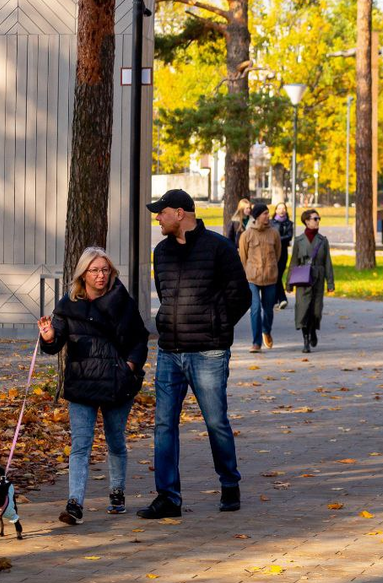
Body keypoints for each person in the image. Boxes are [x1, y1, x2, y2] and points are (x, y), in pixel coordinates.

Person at [140, 189, 251, 519]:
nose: (157, 217)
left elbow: (241, 296)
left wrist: (215, 327)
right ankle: (168, 498)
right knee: (163, 425)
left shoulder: (219, 248)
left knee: (216, 422)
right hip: (169, 352)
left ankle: (230, 482)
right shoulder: (161, 252)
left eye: (161, 212)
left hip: (208, 352)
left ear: (179, 213)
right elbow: (164, 295)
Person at [37, 247, 148, 525]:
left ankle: (117, 492)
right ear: (83, 274)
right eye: (94, 270)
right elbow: (55, 344)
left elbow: (139, 339)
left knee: (115, 441)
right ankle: (74, 503)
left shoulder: (122, 301)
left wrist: (129, 367)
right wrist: (49, 337)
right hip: (83, 382)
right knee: (80, 446)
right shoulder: (68, 305)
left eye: (105, 270)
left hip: (116, 381)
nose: (100, 275)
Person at [287, 209, 335, 353]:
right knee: (303, 310)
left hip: (318, 279)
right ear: (307, 221)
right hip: (303, 279)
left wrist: (330, 283)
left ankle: (313, 330)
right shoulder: (299, 241)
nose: (317, 221)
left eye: (318, 218)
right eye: (315, 218)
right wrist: (289, 282)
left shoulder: (323, 240)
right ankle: (306, 340)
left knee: (316, 311)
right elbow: (293, 262)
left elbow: (328, 262)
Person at [239, 203, 281, 353]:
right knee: (255, 308)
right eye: (264, 213)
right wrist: (248, 271)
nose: (267, 216)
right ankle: (256, 342)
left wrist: (271, 267)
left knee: (268, 310)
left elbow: (278, 254)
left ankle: (266, 330)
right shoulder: (247, 235)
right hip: (252, 278)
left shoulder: (274, 233)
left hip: (270, 277)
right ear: (256, 216)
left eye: (268, 213)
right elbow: (243, 257)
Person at [271, 202, 294, 309]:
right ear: (275, 210)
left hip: (283, 252)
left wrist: (277, 239)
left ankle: (278, 299)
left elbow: (289, 236)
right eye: (279, 208)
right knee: (275, 275)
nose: (281, 210)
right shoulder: (271, 223)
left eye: (283, 208)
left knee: (278, 275)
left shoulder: (289, 223)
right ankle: (281, 299)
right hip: (272, 252)